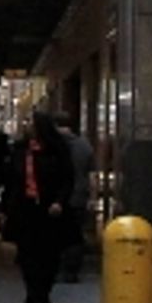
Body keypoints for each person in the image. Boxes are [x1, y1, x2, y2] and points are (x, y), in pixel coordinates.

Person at [4, 110, 74, 303]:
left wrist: (59, 201)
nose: (27, 126)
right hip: (25, 211)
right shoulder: (20, 150)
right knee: (27, 258)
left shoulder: (56, 150)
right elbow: (11, 182)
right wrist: (5, 208)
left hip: (48, 212)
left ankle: (41, 294)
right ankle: (36, 301)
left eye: (31, 123)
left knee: (48, 258)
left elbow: (67, 178)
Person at [53, 111, 95, 282]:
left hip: (57, 198)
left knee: (56, 233)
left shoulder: (52, 145)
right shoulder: (84, 145)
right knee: (76, 234)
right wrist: (92, 197)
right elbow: (91, 174)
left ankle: (57, 267)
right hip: (79, 196)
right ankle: (72, 270)